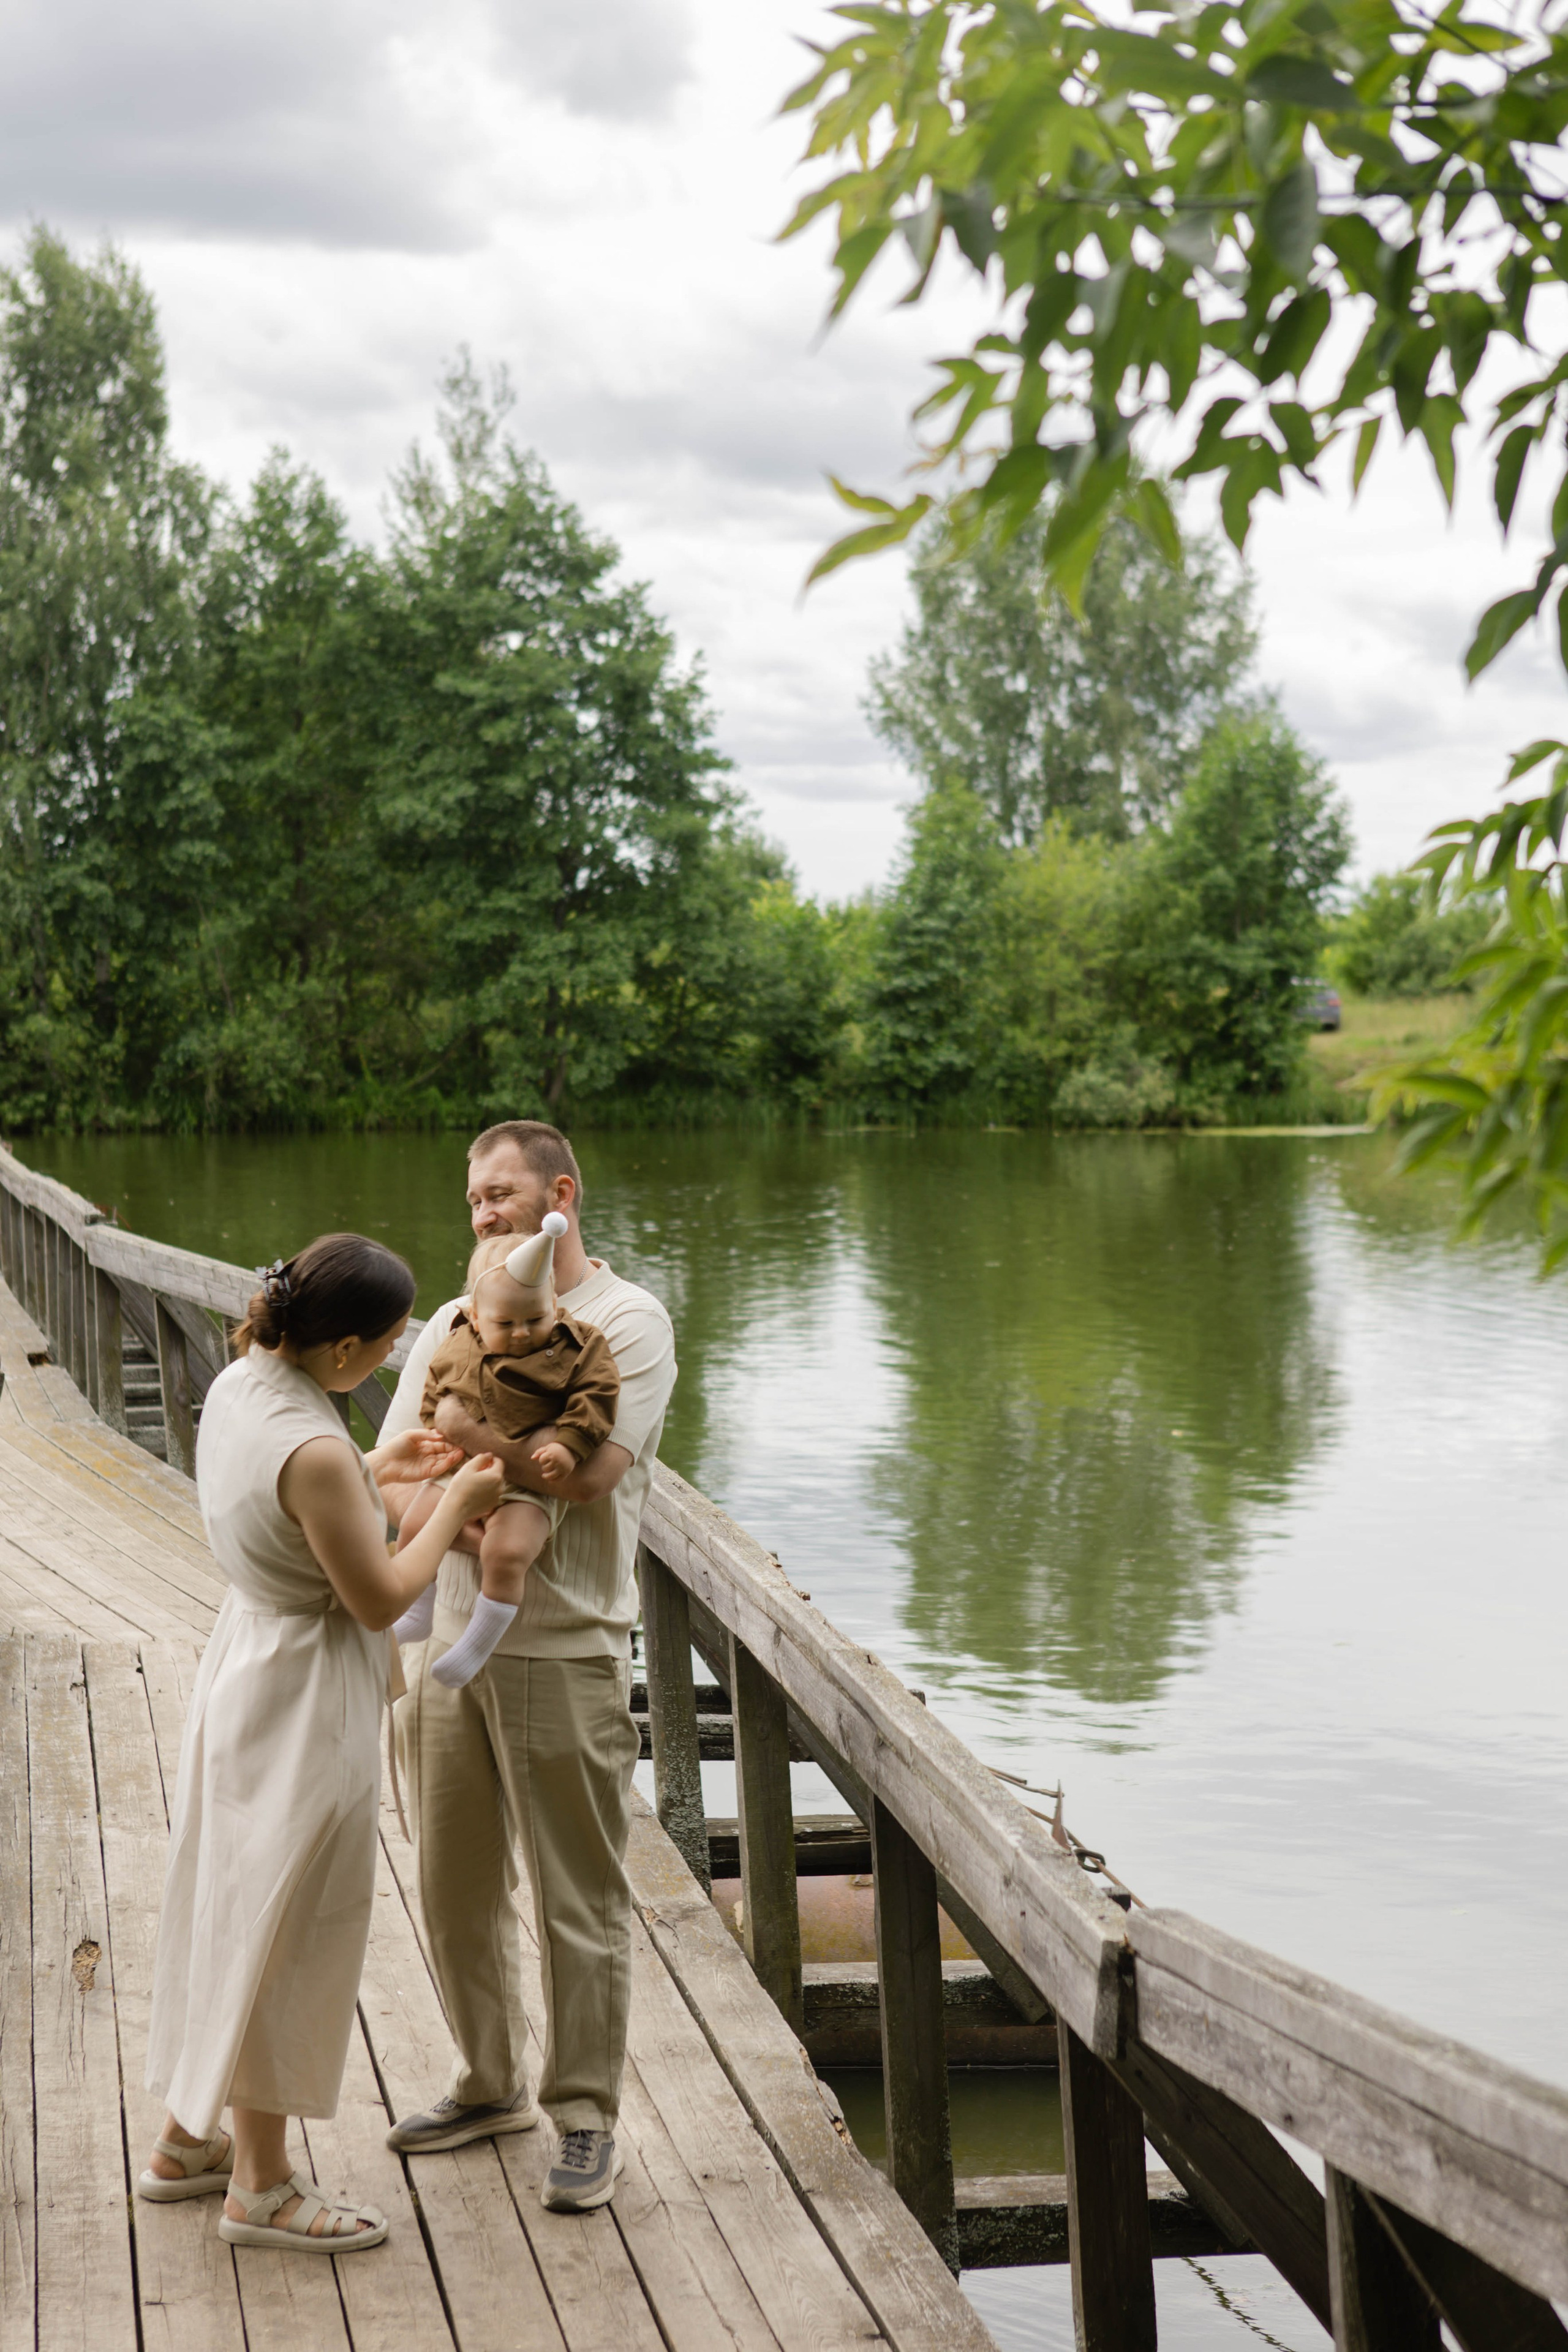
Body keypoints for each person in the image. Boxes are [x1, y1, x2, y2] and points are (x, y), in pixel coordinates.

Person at [141, 1234, 503, 2252]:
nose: (391, 1363)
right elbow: (380, 1592)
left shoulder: (248, 1382)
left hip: (245, 1662)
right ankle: (260, 2188)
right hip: (303, 1696)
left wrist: (375, 1466)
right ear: (343, 1345)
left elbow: (303, 1494)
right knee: (287, 1928)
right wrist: (460, 1506)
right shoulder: (316, 1452)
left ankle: (184, 2137)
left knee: (230, 1899)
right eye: (388, 1347)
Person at [378, 1120, 676, 2215]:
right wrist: (466, 1513)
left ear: (560, 1194)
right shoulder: (453, 1318)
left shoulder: (626, 1323)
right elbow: (404, 1478)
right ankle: (489, 2083)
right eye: (472, 1198)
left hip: (568, 1648)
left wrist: (466, 1463)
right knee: (453, 1889)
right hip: (449, 1644)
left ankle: (586, 2116)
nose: (483, 1212)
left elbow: (588, 1477)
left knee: (576, 1899)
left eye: (501, 1193)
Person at [393, 1218, 620, 1689]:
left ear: (554, 1307)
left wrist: (568, 1445)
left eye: (535, 1319)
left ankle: (479, 1640)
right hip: (461, 1466)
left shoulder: (581, 1346)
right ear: (476, 1316)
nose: (521, 1334)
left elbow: (596, 1399)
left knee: (507, 1551)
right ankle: (417, 1610)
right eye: (505, 1323)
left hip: (527, 1478)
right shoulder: (458, 1339)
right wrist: (436, 1422)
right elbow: (437, 1382)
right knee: (416, 1523)